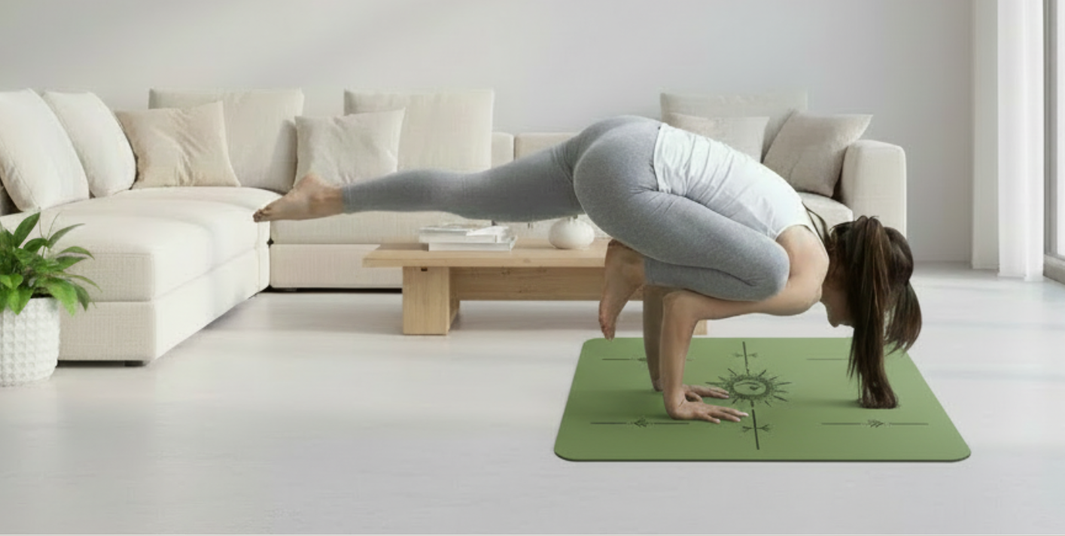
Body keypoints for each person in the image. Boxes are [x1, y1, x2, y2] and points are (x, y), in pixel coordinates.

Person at [254, 115, 921, 423]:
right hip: (626, 176)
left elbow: (682, 284)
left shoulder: (801, 221)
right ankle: (628, 256)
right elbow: (684, 303)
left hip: (621, 138)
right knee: (741, 274)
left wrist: (666, 377)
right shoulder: (798, 280)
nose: (857, 323)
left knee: (467, 193)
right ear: (863, 289)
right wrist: (672, 398)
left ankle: (327, 195)